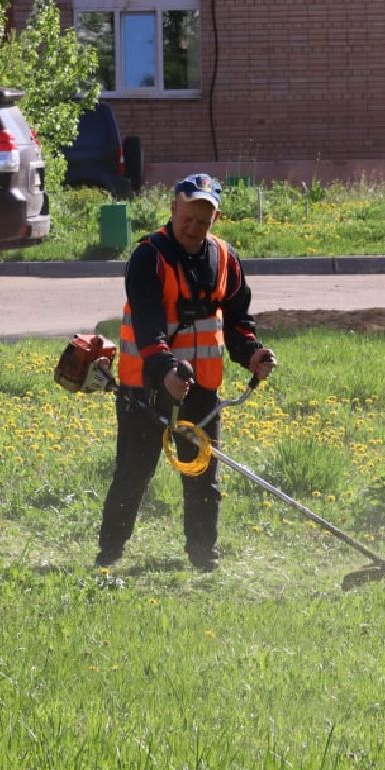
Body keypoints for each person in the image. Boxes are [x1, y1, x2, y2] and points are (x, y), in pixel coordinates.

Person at [96, 173, 277, 572]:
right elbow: (148, 324)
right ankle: (108, 557)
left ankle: (203, 560)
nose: (193, 228)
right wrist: (164, 370)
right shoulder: (149, 257)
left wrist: (251, 354)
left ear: (214, 218)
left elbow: (237, 322)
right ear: (173, 209)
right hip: (146, 387)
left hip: (202, 390)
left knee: (203, 479)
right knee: (133, 473)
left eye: (202, 221)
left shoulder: (225, 258)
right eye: (186, 219)